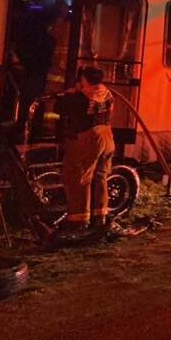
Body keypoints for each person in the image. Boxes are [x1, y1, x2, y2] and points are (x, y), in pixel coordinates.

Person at [56, 67, 116, 231]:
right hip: (107, 136)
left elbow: (59, 109)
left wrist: (70, 93)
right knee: (101, 176)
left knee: (79, 177)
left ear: (85, 80)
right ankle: (100, 216)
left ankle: (78, 220)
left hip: (88, 138)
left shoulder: (79, 97)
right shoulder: (107, 93)